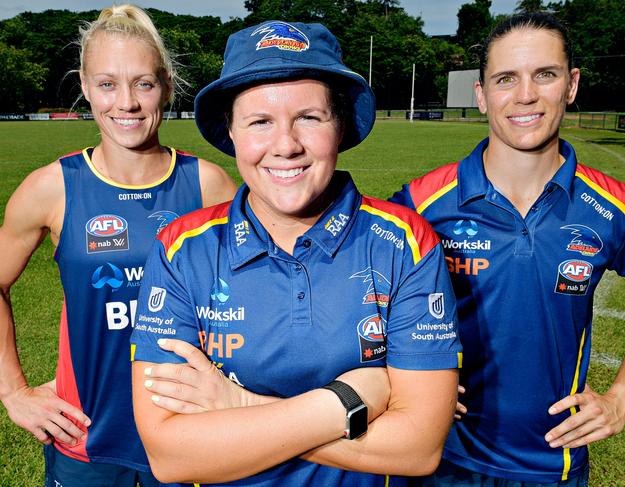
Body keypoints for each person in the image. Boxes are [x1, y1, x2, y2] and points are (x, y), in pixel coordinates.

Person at [130, 20, 461, 486]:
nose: (285, 145)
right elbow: (171, 456)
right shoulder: (181, 250)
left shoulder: (405, 243)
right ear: (232, 132)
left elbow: (417, 447)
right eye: (260, 121)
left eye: (309, 117)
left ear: (340, 126)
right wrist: (343, 402)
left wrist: (243, 405)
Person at [390, 11, 625, 487]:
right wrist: (402, 380)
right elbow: (360, 297)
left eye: (544, 75)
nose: (525, 95)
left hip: (554, 464)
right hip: (436, 455)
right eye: (506, 78)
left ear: (570, 85)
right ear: (482, 94)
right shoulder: (418, 204)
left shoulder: (617, 207)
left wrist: (624, 396)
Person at [0, 5, 236, 486]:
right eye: (107, 84)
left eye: (143, 84)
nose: (126, 102)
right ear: (85, 87)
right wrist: (13, 392)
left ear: (166, 87)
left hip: (189, 434)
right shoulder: (52, 188)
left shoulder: (208, 185)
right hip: (86, 437)